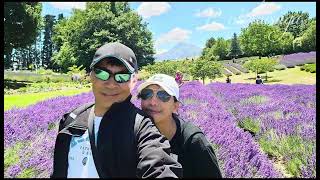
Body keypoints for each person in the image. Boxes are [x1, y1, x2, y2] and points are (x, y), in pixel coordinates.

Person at [51, 42, 182, 178]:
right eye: (102, 73)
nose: (111, 84)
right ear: (91, 75)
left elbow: (159, 166)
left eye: (122, 76)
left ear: (134, 81)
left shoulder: (142, 127)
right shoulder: (72, 118)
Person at [137, 74, 222, 178]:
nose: (153, 102)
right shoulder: (135, 134)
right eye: (147, 94)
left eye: (163, 96)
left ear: (175, 106)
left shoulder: (193, 142)